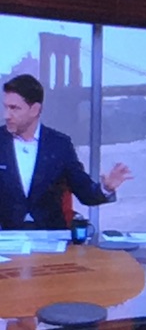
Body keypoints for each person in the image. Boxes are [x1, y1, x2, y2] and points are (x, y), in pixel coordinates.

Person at [0, 73, 131, 230]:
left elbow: (84, 191)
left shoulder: (59, 144)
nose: (6, 115)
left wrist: (106, 188)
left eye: (14, 108)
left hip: (51, 236)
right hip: (5, 237)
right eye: (5, 107)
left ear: (34, 109)